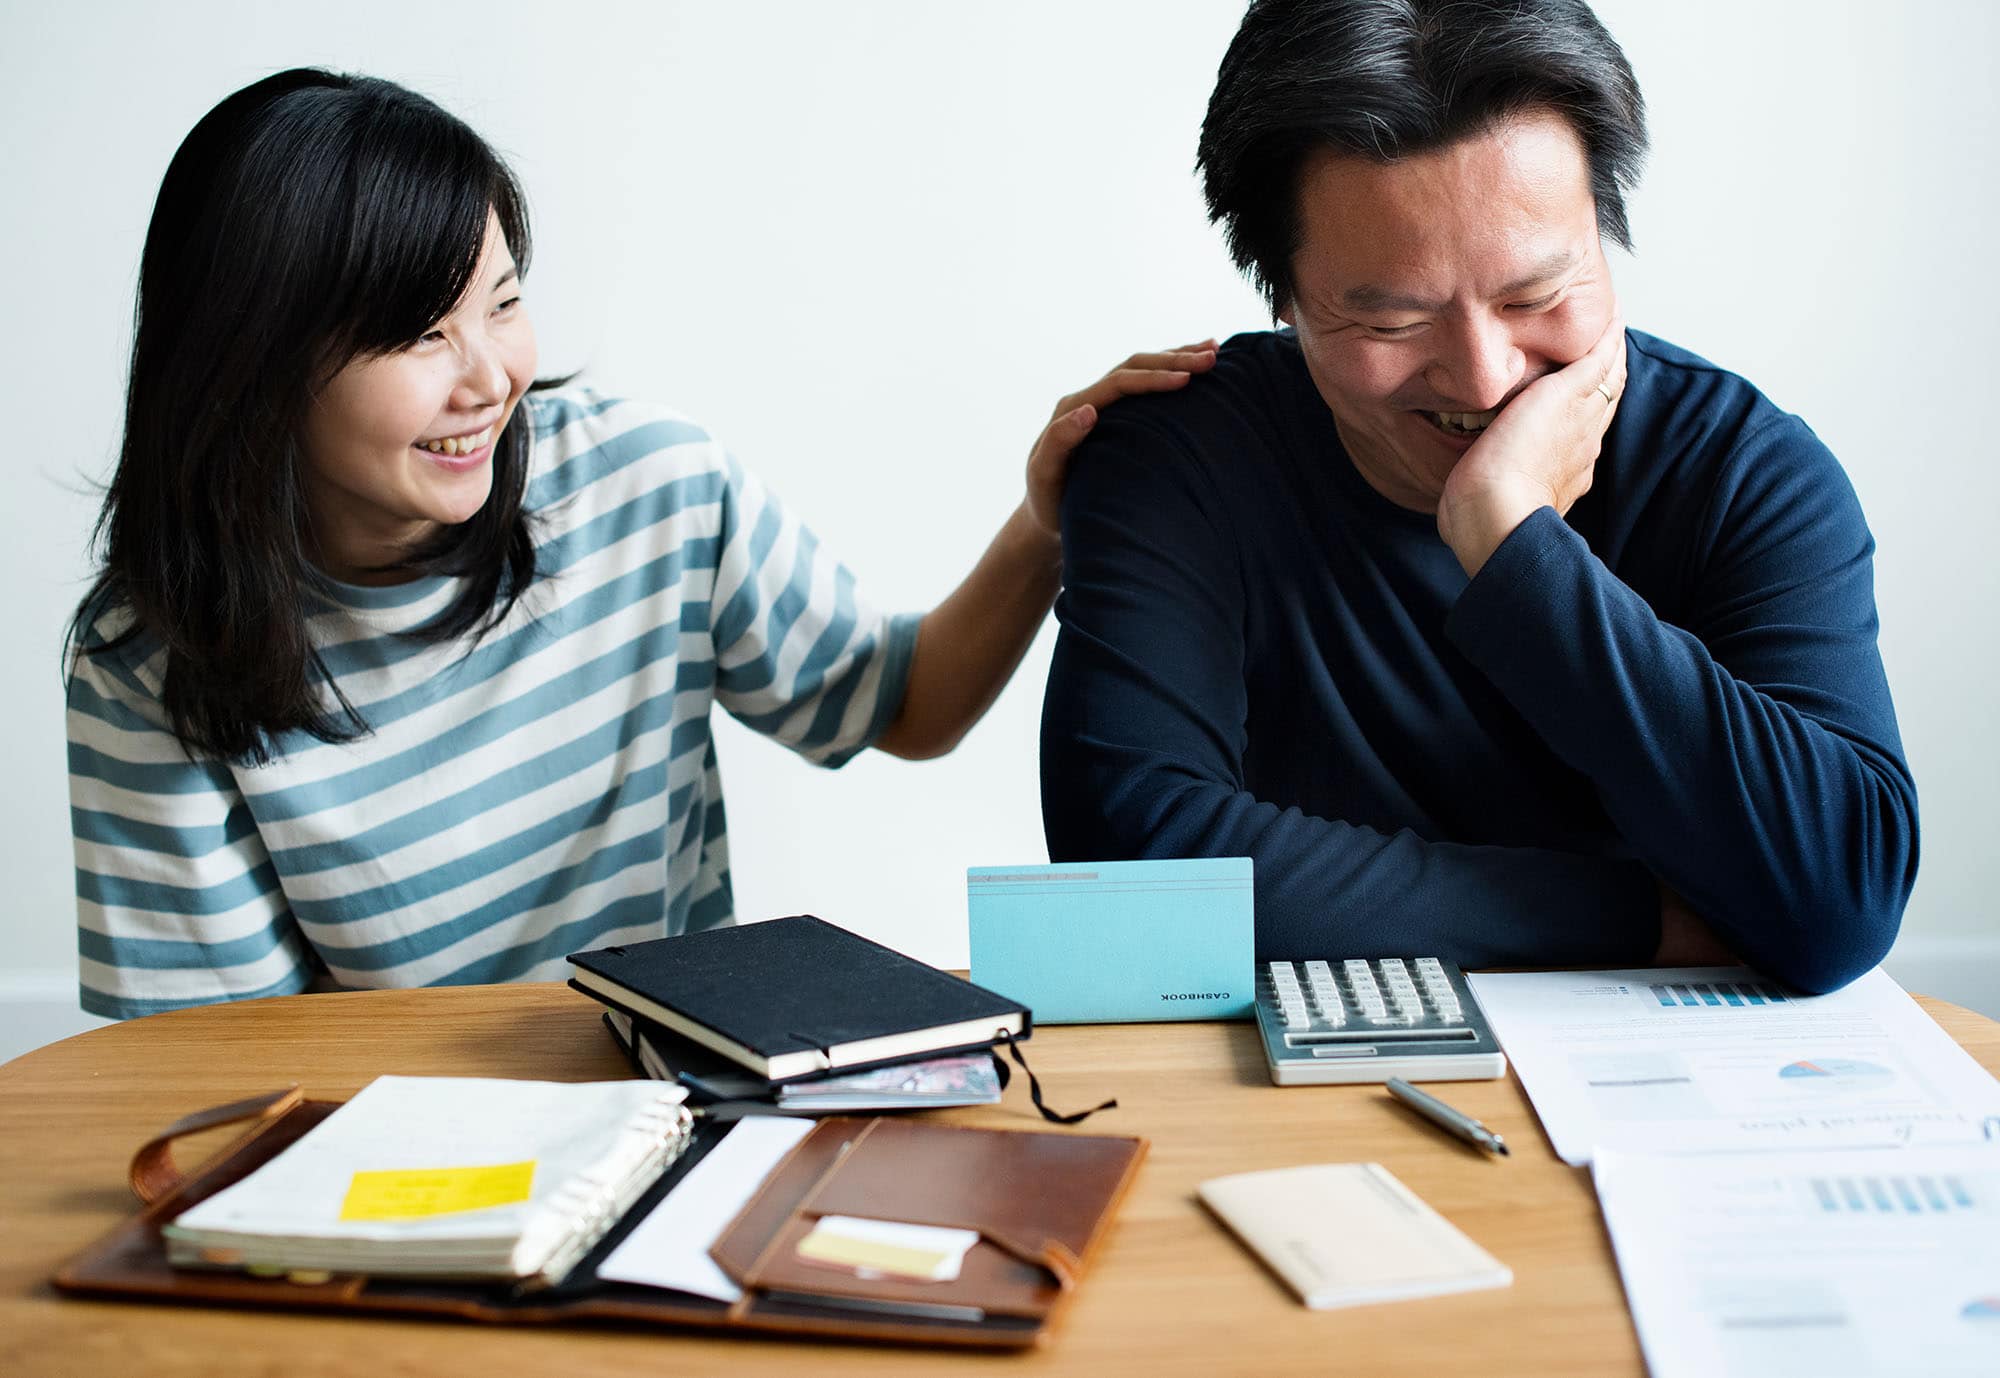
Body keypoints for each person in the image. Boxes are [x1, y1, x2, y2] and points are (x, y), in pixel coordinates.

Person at [66, 68, 1215, 1019]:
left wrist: (1038, 529)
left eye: (502, 303)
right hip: (382, 1157)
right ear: (252, 360)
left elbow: (899, 704)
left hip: (670, 1105)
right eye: (420, 333)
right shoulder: (148, 659)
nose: (488, 378)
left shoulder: (646, 484)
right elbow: (208, 1064)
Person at [1039, 0, 1916, 994]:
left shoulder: (1738, 472)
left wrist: (1514, 546)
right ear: (1280, 295)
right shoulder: (1175, 457)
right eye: (1396, 318)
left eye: (1534, 298)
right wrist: (1636, 915)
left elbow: (1840, 898)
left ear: (1603, 236)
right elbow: (1130, 871)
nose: (1482, 378)